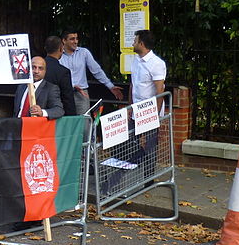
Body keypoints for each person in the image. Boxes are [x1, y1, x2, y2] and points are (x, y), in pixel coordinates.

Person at [130, 29, 166, 179]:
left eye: (135, 40)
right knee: (129, 141)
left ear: (142, 44)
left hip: (149, 111)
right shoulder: (135, 61)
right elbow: (133, 85)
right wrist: (129, 107)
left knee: (150, 145)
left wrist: (155, 115)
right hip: (135, 109)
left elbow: (159, 91)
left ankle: (148, 179)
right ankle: (137, 162)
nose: (133, 43)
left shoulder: (157, 64)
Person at [59, 29, 123, 115]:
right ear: (64, 40)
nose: (75, 41)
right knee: (65, 121)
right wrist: (72, 86)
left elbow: (96, 70)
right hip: (64, 92)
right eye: (72, 39)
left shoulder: (83, 52)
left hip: (81, 93)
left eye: (76, 38)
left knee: (84, 121)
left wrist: (110, 86)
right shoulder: (58, 54)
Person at [43, 36, 76, 116]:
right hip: (56, 114)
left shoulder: (36, 69)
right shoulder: (63, 72)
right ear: (61, 49)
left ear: (45, 48)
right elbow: (67, 99)